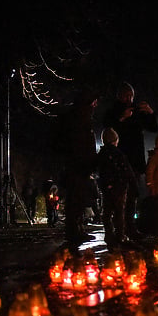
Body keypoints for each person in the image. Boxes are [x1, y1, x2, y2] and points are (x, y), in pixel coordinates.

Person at [103, 82, 158, 239]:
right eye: (126, 96)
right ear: (119, 96)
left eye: (131, 96)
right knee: (119, 196)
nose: (129, 99)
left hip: (135, 159)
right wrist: (122, 118)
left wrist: (150, 112)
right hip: (119, 158)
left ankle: (130, 227)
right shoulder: (113, 111)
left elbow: (154, 127)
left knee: (133, 195)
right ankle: (119, 229)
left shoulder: (137, 111)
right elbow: (108, 129)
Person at [57, 89, 99, 248]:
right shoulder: (80, 117)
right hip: (78, 164)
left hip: (77, 163)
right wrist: (88, 160)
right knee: (76, 199)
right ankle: (74, 231)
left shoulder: (78, 116)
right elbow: (81, 142)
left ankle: (76, 229)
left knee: (77, 199)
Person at [95, 127, 136, 247]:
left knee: (107, 212)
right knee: (119, 212)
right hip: (119, 187)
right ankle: (120, 235)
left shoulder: (101, 154)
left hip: (106, 187)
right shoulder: (119, 154)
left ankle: (109, 234)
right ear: (115, 140)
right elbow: (127, 170)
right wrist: (132, 185)